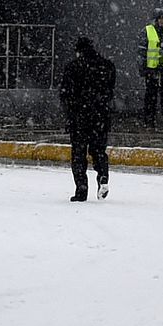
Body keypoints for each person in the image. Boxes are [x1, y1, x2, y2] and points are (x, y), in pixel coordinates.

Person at [58, 35, 116, 202]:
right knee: (99, 151)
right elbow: (110, 90)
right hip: (101, 116)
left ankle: (81, 189)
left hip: (80, 117)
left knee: (78, 153)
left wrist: (70, 111)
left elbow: (65, 94)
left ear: (79, 51)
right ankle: (103, 176)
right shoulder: (107, 66)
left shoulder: (73, 67)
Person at [141, 10, 163, 125]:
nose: (161, 21)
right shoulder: (148, 30)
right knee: (151, 95)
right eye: (159, 19)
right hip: (151, 68)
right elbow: (142, 50)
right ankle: (149, 118)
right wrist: (143, 67)